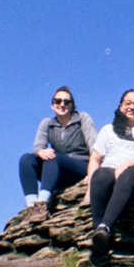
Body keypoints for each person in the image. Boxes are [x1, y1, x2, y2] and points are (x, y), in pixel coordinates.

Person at [85, 89, 134, 254]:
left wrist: (125, 166)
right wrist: (89, 188)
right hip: (110, 171)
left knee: (128, 175)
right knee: (101, 174)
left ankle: (106, 225)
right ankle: (98, 232)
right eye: (128, 103)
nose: (132, 107)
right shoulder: (107, 130)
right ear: (120, 106)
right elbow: (95, 159)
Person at [18, 86, 98, 222]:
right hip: (58, 170)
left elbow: (95, 148)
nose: (62, 105)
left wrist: (93, 173)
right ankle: (31, 205)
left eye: (66, 102)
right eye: (58, 101)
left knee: (53, 157)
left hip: (81, 168)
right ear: (52, 105)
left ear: (72, 105)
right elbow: (37, 147)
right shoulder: (47, 124)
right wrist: (40, 152)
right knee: (26, 159)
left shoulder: (82, 118)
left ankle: (42, 204)